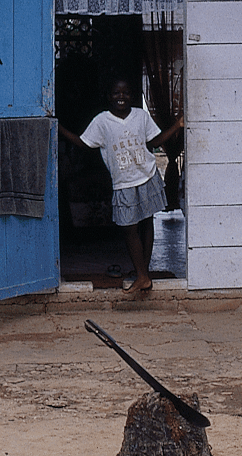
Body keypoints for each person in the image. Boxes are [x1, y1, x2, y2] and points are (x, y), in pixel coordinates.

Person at [60, 78, 184, 294]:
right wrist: (58, 128)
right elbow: (83, 143)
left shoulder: (141, 116)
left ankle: (143, 274)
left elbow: (154, 142)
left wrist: (177, 125)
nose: (121, 97)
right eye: (116, 93)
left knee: (147, 223)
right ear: (109, 96)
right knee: (129, 229)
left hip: (147, 176)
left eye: (126, 92)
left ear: (132, 96)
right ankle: (142, 274)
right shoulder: (102, 121)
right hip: (123, 182)